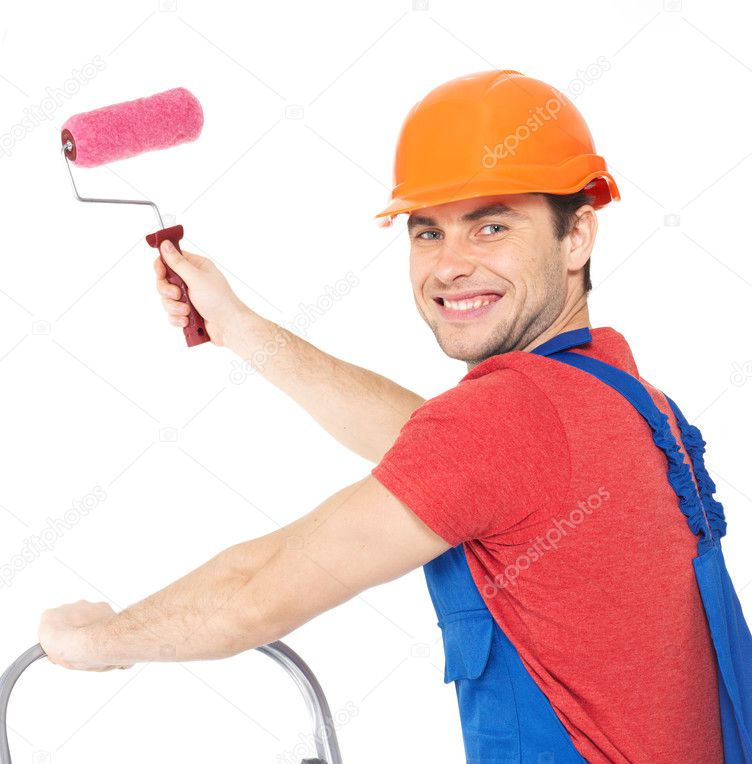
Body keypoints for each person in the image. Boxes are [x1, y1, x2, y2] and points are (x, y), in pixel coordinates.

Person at [39, 70, 745, 762]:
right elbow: (441, 449)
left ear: (577, 237)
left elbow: (254, 593)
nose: (449, 266)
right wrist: (239, 327)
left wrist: (94, 641)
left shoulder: (510, 420)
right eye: (428, 232)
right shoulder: (622, 397)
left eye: (491, 225)